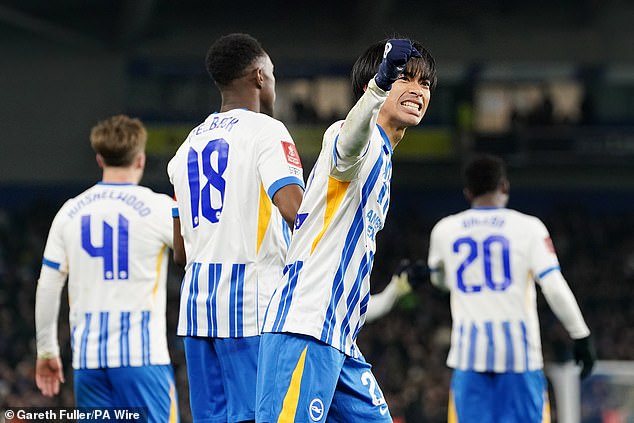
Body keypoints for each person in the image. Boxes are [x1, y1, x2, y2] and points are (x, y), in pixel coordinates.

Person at [256, 38, 437, 422]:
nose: (417, 92)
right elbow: (346, 150)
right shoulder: (359, 136)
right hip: (304, 328)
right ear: (377, 83)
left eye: (424, 85)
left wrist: (394, 292)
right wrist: (379, 86)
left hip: (338, 339)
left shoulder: (384, 157)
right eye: (405, 78)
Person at [167, 33, 304, 423]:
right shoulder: (267, 132)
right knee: (262, 416)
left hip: (196, 311)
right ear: (260, 76)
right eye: (274, 74)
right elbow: (296, 212)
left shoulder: (186, 147)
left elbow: (180, 253)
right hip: (251, 307)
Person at [427, 153, 596, 423]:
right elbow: (553, 285)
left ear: (468, 193)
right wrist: (580, 335)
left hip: (469, 362)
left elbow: (439, 281)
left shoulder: (445, 230)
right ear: (504, 187)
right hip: (521, 360)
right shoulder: (529, 228)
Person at [34, 114, 179, 423]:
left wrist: (47, 350)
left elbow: (47, 285)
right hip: (143, 359)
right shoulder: (159, 208)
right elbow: (197, 255)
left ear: (100, 159)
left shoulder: (69, 212)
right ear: (140, 160)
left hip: (88, 363)